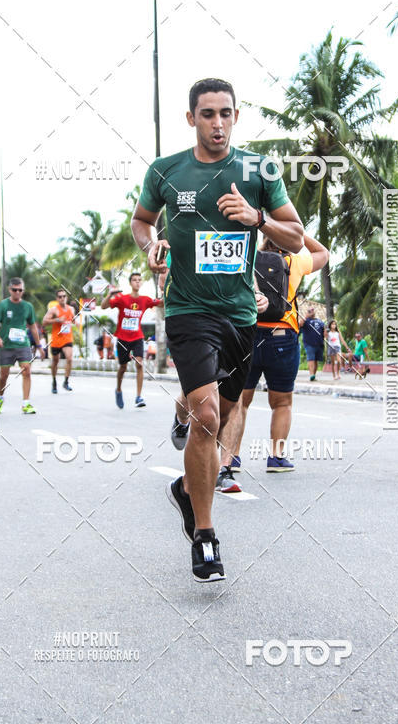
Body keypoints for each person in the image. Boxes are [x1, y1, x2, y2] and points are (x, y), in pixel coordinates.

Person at [132, 77, 304, 582]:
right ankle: (206, 537)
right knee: (206, 416)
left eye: (226, 113)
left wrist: (256, 218)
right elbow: (142, 221)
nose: (217, 123)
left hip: (240, 316)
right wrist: (150, 246)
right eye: (207, 114)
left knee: (227, 412)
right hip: (187, 311)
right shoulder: (166, 171)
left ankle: (187, 489)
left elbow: (295, 236)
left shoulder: (259, 169)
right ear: (191, 119)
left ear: (235, 116)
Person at [219, 235, 329, 484]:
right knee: (281, 403)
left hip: (248, 335)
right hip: (282, 338)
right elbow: (323, 253)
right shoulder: (295, 261)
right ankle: (276, 458)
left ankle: (232, 457)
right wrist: (297, 234)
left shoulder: (247, 260)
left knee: (239, 401)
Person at [100, 273, 162, 408]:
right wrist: (110, 294)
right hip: (122, 338)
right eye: (134, 280)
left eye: (139, 280)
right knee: (123, 367)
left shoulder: (145, 300)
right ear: (130, 283)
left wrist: (170, 292)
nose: (137, 282)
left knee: (139, 363)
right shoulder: (123, 299)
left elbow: (160, 303)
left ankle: (139, 397)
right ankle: (118, 389)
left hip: (137, 337)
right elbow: (103, 306)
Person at [0, 277, 44, 414]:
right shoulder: (3, 305)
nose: (17, 292)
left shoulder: (28, 307)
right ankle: (0, 397)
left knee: (26, 370)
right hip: (6, 345)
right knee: (3, 376)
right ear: (9, 290)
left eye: (20, 290)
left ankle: (26, 403)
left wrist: (39, 346)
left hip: (23, 344)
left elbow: (33, 327)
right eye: (14, 290)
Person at [42, 289, 76, 393]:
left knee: (69, 358)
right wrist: (57, 320)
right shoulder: (53, 310)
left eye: (64, 296)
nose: (62, 298)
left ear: (66, 297)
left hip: (67, 338)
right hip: (56, 339)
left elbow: (72, 319)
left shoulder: (71, 309)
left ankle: (66, 381)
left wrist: (73, 321)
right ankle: (54, 381)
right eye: (60, 297)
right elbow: (44, 322)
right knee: (55, 361)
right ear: (57, 299)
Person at [299, 304, 326, 381]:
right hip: (309, 343)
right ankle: (311, 374)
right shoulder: (305, 320)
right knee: (311, 359)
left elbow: (324, 332)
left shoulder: (320, 321)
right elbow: (300, 324)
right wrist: (306, 316)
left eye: (312, 310)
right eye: (309, 310)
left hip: (319, 343)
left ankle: (314, 375)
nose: (311, 312)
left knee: (316, 360)